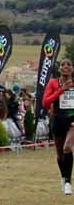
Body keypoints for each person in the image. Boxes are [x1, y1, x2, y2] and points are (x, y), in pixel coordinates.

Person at [41, 57, 74, 195]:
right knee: (60, 155)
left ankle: (67, 182)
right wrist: (61, 90)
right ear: (59, 69)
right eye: (63, 64)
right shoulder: (53, 83)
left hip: (72, 121)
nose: (66, 66)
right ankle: (63, 177)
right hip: (58, 120)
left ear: (72, 69)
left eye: (69, 64)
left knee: (67, 147)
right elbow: (45, 103)